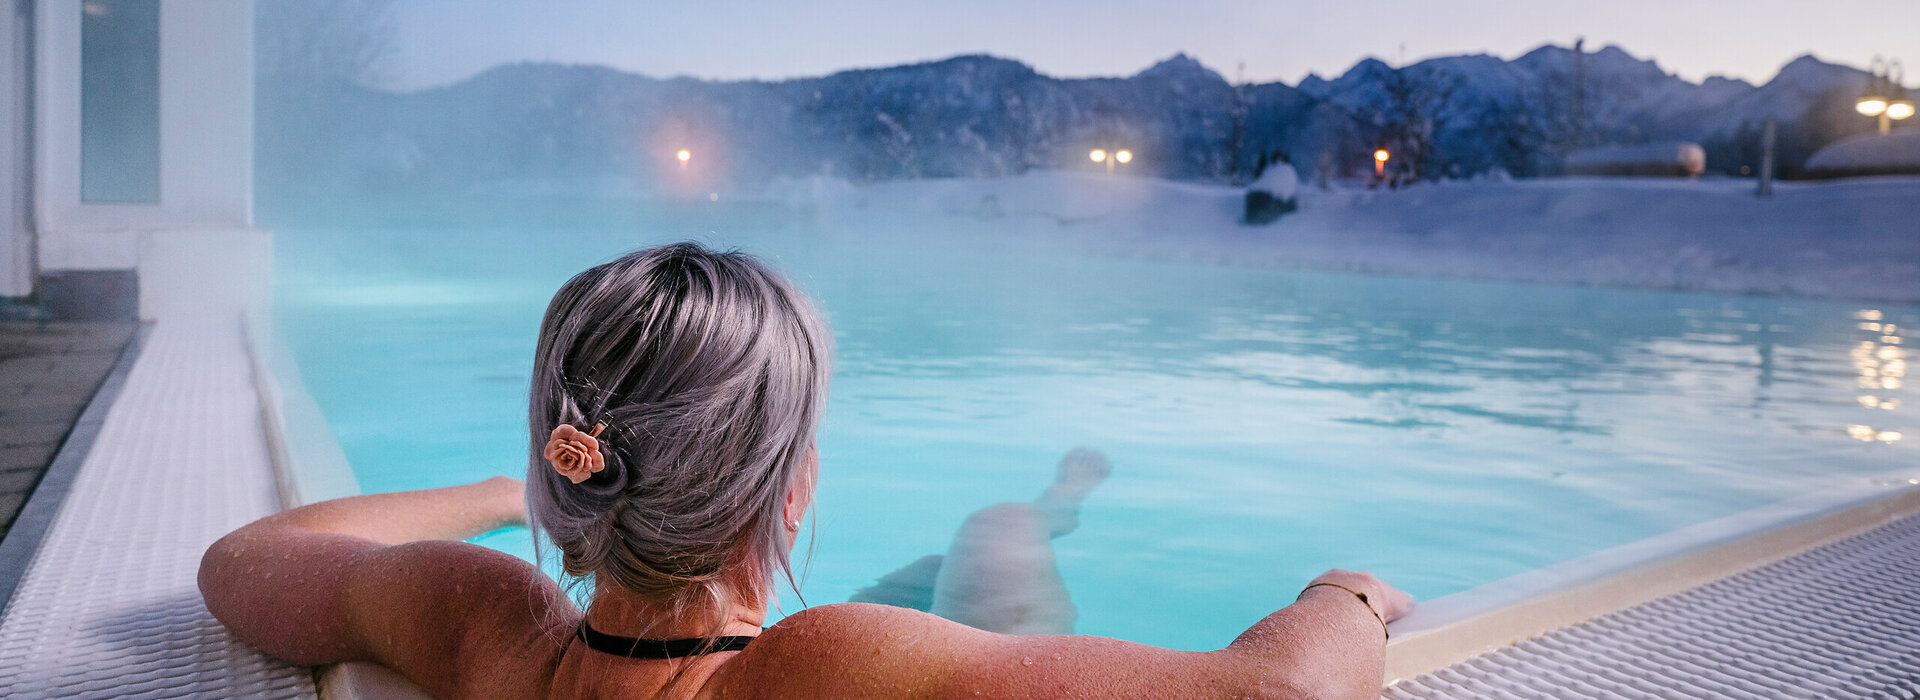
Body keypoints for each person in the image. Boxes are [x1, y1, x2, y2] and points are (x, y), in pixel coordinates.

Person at [200, 242, 1414, 699]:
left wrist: (504, 496)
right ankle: (1046, 510)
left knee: (973, 571)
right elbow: (1281, 698)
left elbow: (245, 563)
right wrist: (1348, 591)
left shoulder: (486, 631)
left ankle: (1042, 511)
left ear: (574, 468)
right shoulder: (825, 666)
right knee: (992, 569)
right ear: (792, 489)